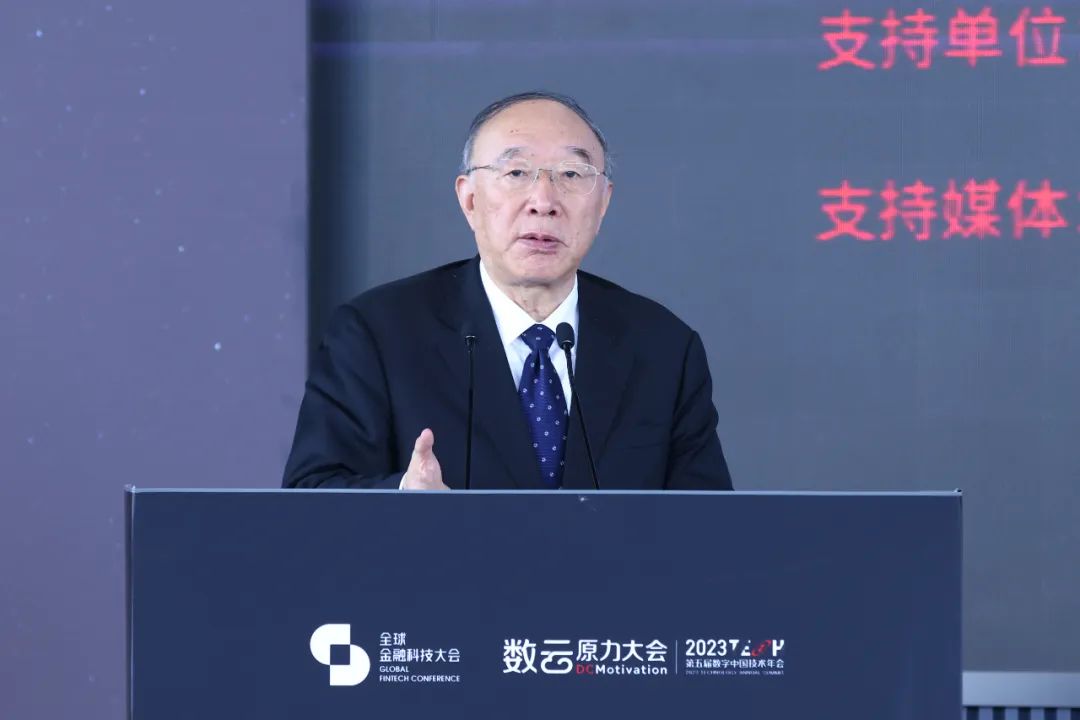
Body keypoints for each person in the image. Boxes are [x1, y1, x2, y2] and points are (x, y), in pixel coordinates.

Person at [283, 91, 733, 491]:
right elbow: (312, 493)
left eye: (572, 174)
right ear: (470, 199)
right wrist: (404, 500)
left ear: (603, 203)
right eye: (516, 172)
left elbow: (710, 528)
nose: (544, 201)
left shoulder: (663, 348)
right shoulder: (378, 333)